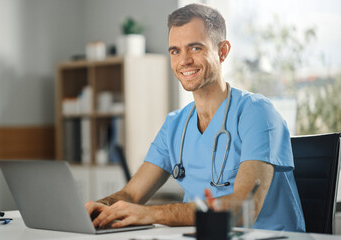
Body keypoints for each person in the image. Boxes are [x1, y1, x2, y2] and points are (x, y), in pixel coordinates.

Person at [85, 3, 305, 232]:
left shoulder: (258, 113)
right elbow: (131, 193)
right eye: (175, 51)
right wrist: (101, 207)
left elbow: (242, 210)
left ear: (223, 51)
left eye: (195, 48)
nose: (184, 60)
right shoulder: (175, 125)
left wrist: (152, 213)